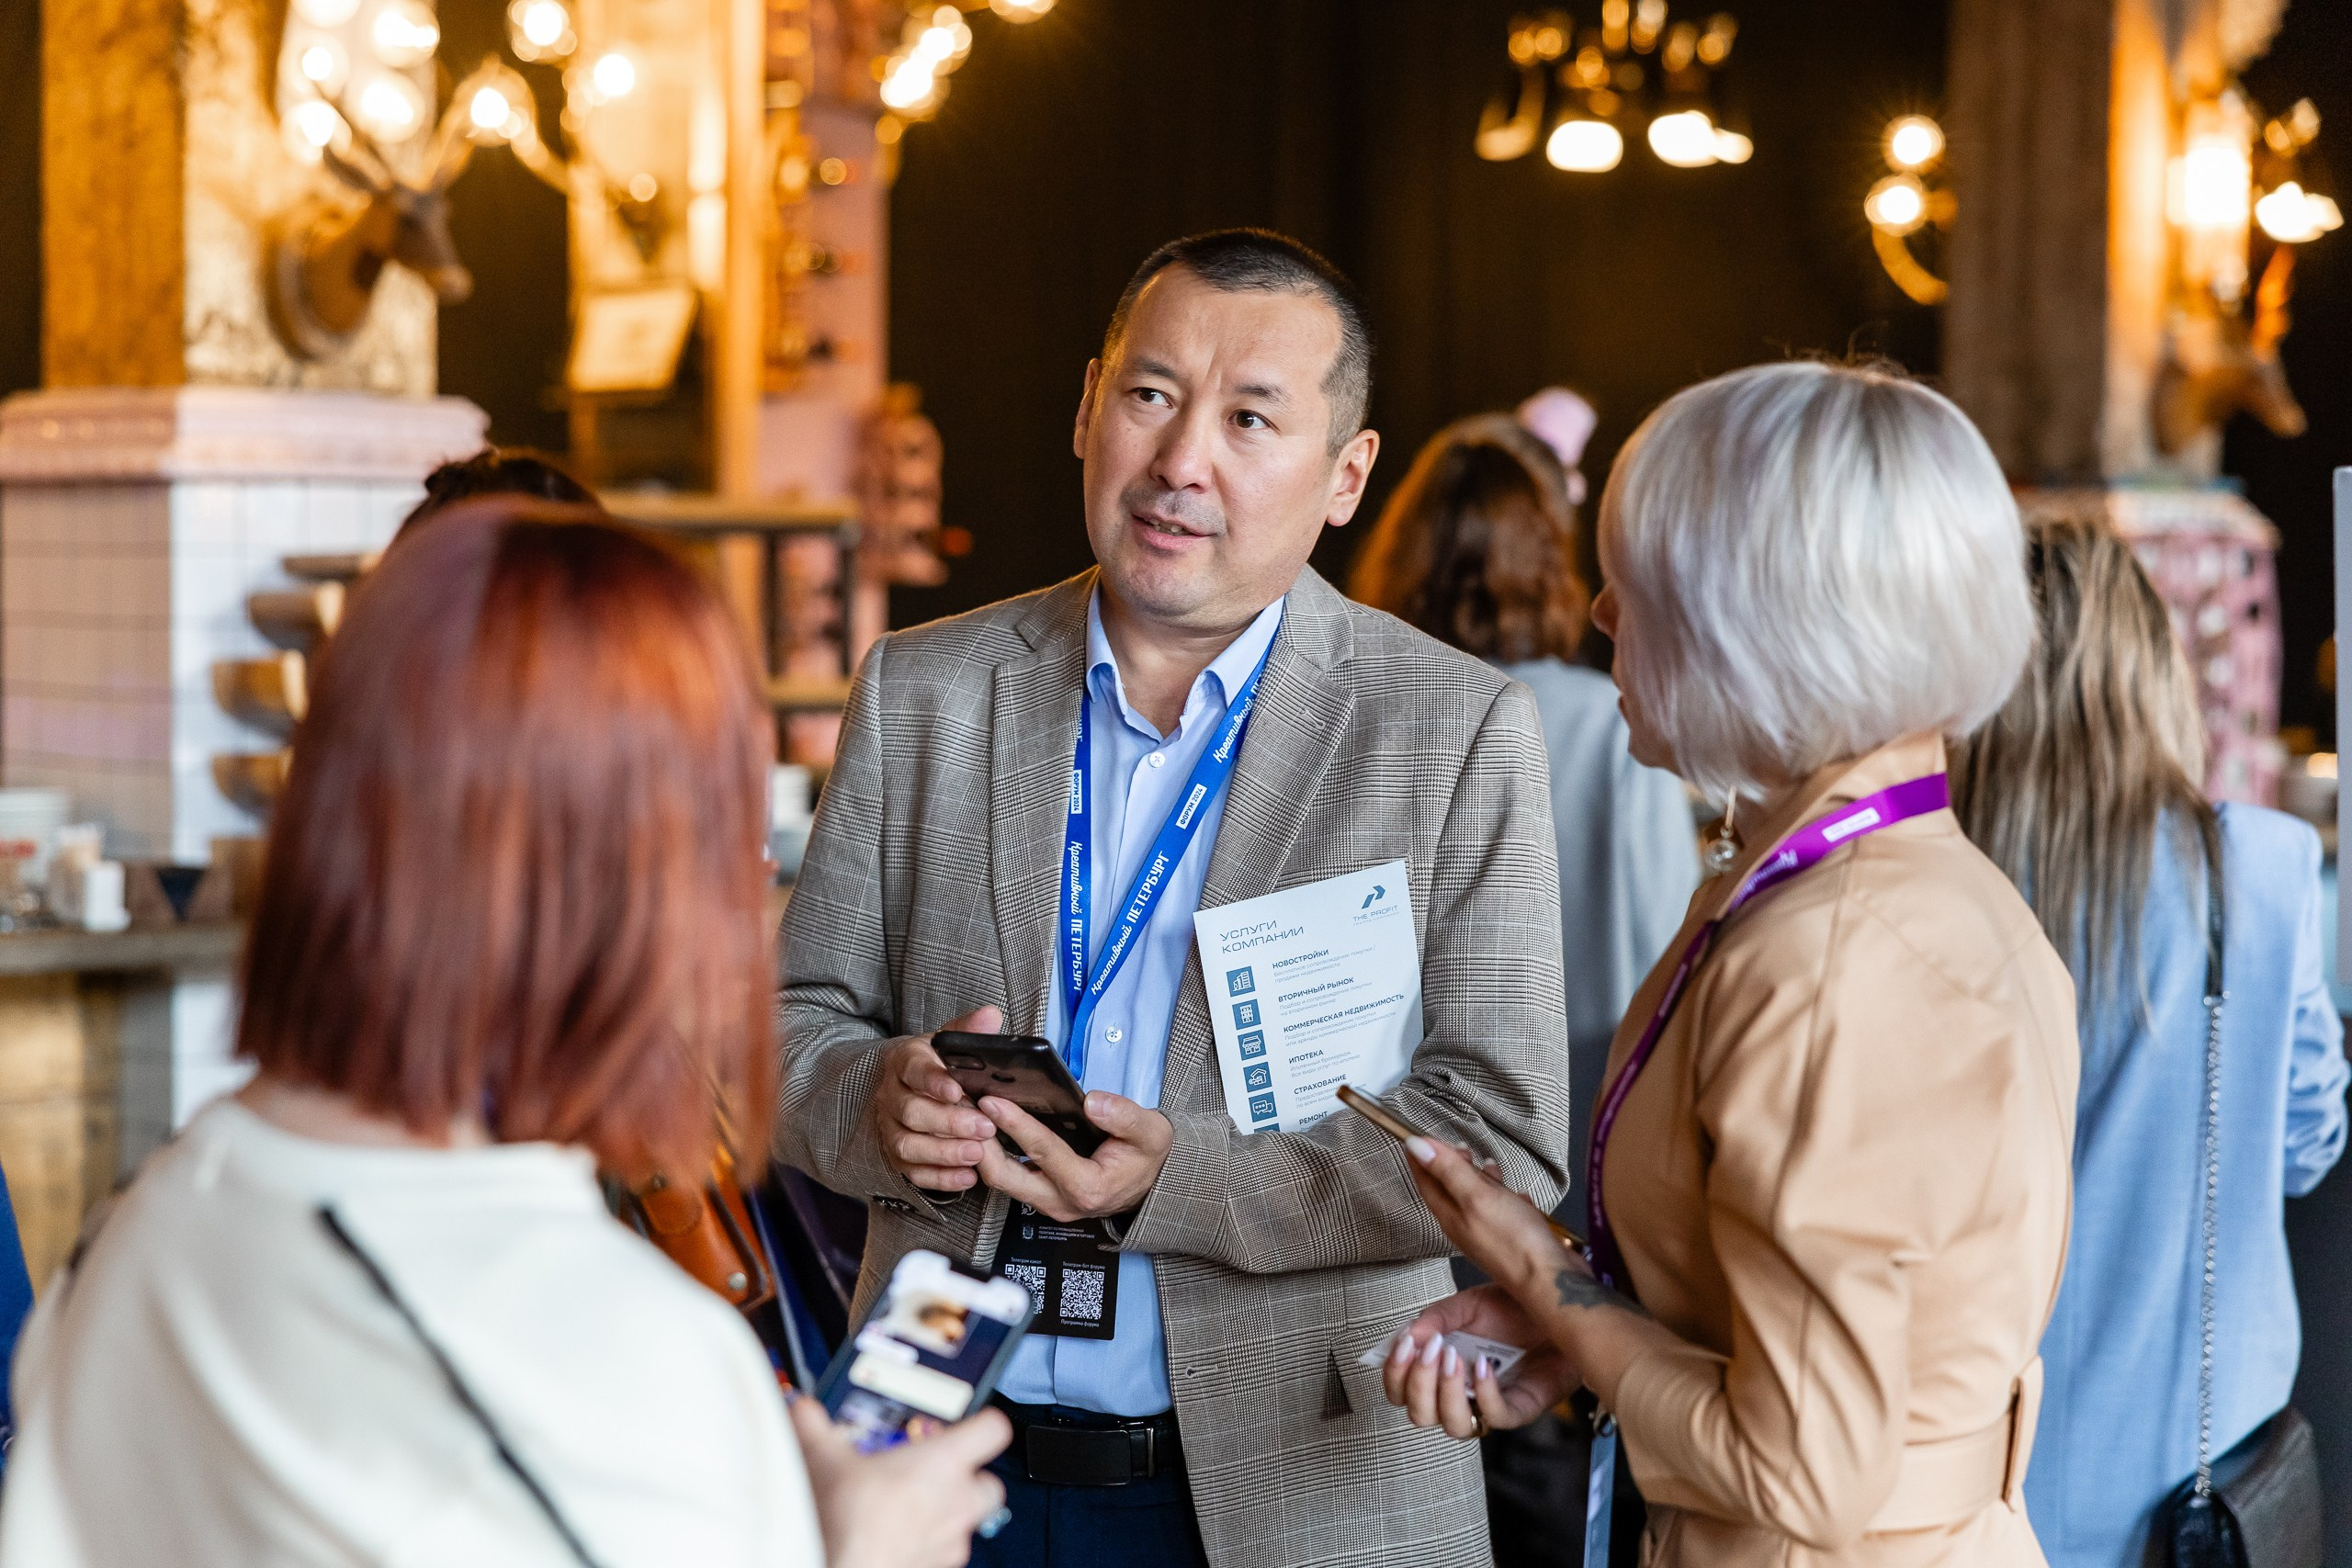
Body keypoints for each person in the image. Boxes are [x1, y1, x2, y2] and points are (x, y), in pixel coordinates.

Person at [0, 499, 1008, 1568]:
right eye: (724, 835)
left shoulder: (127, 1239)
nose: (747, 887)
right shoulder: (625, 1354)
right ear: (617, 883)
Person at [775, 228, 1571, 1568]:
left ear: (1345, 475)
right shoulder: (925, 689)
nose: (1181, 460)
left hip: (1297, 1489)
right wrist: (871, 1099)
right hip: (940, 1472)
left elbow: (1498, 1133)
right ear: (1088, 406)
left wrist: (1178, 1179)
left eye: (1250, 418)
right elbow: (792, 1021)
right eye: (1151, 395)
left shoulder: (1450, 729)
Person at [1381, 360, 2080, 1567]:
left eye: (1638, 585)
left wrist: (1542, 1274)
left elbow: (1797, 1469)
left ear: (1757, 627)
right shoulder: (1897, 879)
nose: (1599, 611)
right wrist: (1587, 1331)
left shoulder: (1833, 960)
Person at [1951, 517, 2350, 1568]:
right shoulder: (2260, 868)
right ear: (2153, 674)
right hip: (2197, 1468)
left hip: (1976, 1460)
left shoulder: (1943, 886)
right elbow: (2307, 1142)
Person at [1347, 409, 1699, 1219]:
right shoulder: (1611, 722)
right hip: (1578, 1112)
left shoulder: (1370, 713)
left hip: (1396, 1117)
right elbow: (1666, 946)